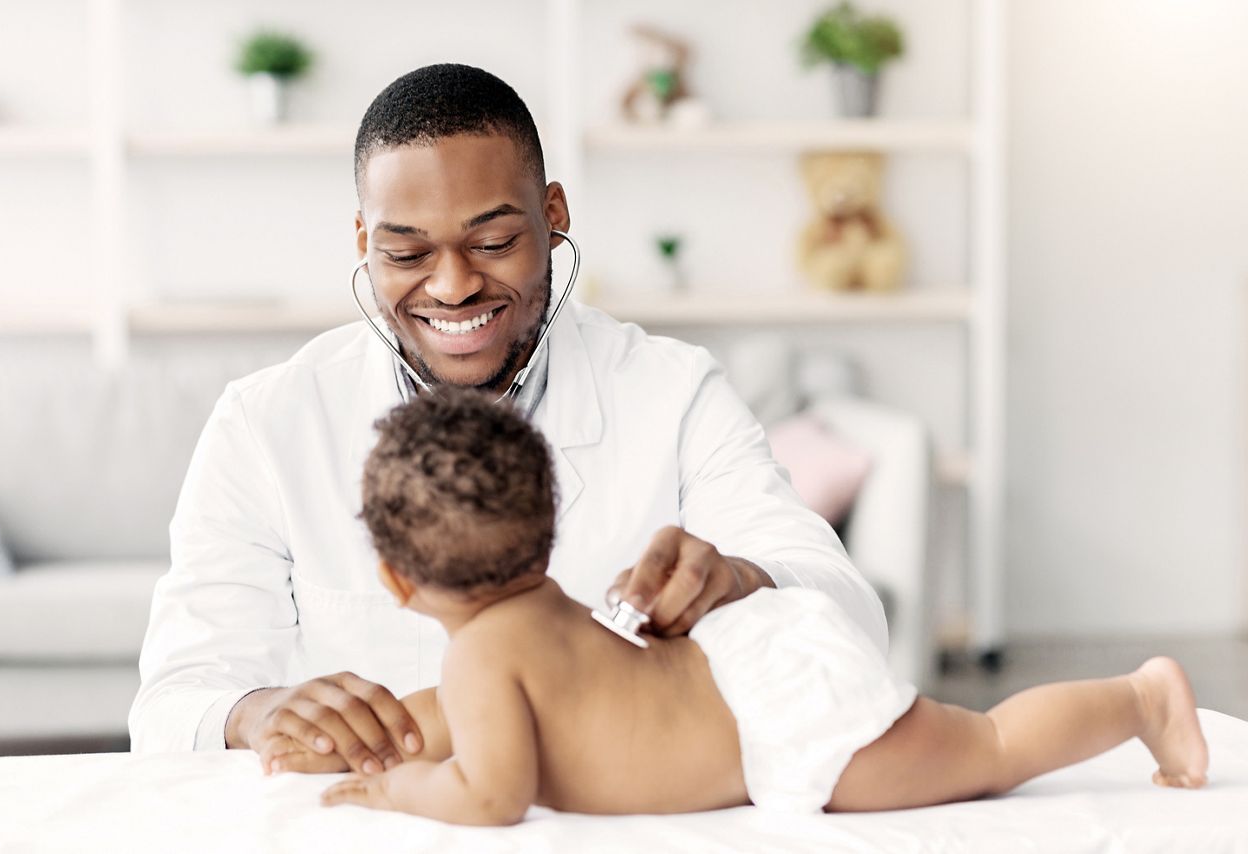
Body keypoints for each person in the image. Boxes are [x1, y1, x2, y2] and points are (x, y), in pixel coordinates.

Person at [128, 63, 888, 778]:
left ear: (553, 215)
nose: (453, 287)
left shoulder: (674, 391)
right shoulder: (266, 422)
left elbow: (848, 613)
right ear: (364, 243)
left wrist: (744, 580)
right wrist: (256, 712)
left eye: (493, 243)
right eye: (407, 254)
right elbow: (172, 703)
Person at [318, 387, 1209, 824]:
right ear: (545, 539)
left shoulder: (480, 656)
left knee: (992, 750)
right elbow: (458, 722)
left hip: (782, 715)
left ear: (396, 581)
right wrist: (362, 738)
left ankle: (1142, 699)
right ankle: (1136, 701)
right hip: (747, 659)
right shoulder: (542, 611)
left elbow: (490, 792)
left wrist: (394, 790)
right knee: (986, 743)